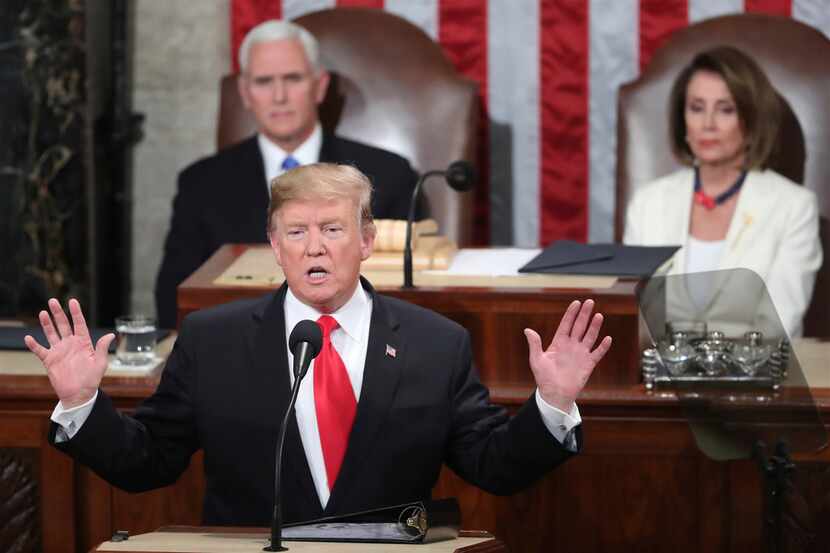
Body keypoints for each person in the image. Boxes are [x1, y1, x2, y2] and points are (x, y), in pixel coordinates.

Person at [27, 163, 612, 527]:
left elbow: (494, 465)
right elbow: (147, 461)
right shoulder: (213, 340)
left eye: (332, 230)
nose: (314, 248)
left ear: (366, 240)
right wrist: (82, 405)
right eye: (296, 232)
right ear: (274, 246)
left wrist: (552, 405)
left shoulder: (437, 344)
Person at [154, 19, 419, 329]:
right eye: (264, 82)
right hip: (239, 354)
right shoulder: (200, 184)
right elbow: (172, 301)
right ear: (245, 92)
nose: (279, 96)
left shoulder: (388, 176)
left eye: (292, 78)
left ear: (319, 86)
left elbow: (408, 299)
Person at [624, 46, 822, 338]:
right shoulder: (648, 202)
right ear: (683, 121)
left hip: (752, 378)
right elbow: (636, 317)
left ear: (752, 119)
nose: (708, 125)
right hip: (659, 376)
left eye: (725, 109)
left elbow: (779, 325)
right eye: (696, 108)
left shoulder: (794, 206)